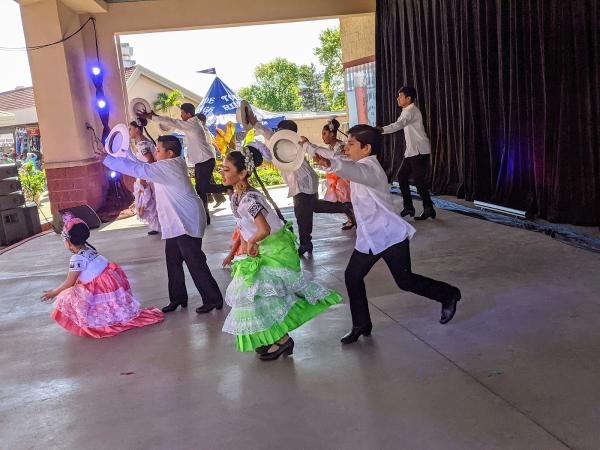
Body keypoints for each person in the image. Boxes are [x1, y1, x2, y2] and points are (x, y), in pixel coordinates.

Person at [313, 125, 461, 344]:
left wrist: (332, 164)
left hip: (389, 236)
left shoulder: (370, 169)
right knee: (352, 277)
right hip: (370, 238)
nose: (347, 147)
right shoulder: (360, 163)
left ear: (366, 148)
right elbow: (341, 161)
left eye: (352, 144)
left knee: (405, 281)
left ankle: (449, 294)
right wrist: (312, 149)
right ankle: (361, 324)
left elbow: (350, 170)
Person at [220, 145, 342, 360]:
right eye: (222, 168)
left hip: (275, 249)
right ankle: (275, 338)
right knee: (256, 295)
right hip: (262, 248)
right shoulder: (236, 197)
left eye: (226, 169)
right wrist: (234, 251)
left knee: (264, 295)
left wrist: (252, 243)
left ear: (243, 173)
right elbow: (244, 228)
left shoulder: (249, 200)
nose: (222, 173)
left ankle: (283, 341)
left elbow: (263, 229)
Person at [100, 134, 224, 314]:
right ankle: (178, 298)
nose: (155, 153)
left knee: (195, 261)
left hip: (186, 222)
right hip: (176, 222)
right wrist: (124, 152)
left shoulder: (169, 167)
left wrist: (107, 159)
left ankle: (213, 299)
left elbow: (139, 170)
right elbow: (140, 166)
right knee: (172, 261)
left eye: (158, 150)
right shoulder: (168, 164)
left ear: (170, 153)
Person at [41, 214, 164, 338]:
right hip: (109, 284)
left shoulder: (76, 259)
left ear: (67, 241)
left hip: (101, 287)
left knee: (67, 296)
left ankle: (93, 321)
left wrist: (53, 293)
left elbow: (69, 282)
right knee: (78, 290)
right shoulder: (90, 250)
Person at [251, 118, 353, 256]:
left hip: (303, 182)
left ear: (287, 132)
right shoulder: (280, 141)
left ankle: (306, 244)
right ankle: (344, 206)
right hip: (303, 181)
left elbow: (321, 152)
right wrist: (254, 122)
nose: (277, 133)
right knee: (313, 206)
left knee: (302, 215)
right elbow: (269, 134)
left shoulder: (296, 141)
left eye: (280, 131)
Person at [142, 103, 229, 225]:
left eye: (182, 113)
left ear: (188, 114)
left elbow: (173, 122)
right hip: (202, 160)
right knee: (200, 189)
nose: (181, 115)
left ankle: (228, 187)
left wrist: (153, 117)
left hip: (205, 159)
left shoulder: (191, 124)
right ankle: (205, 216)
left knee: (203, 187)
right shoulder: (192, 124)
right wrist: (154, 116)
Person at [378, 86, 436, 221]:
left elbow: (399, 124)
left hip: (419, 150)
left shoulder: (411, 112)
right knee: (402, 176)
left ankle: (428, 209)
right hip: (412, 151)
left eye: (400, 96)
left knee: (418, 181)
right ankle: (410, 206)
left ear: (408, 98)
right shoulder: (407, 110)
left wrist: (381, 130)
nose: (398, 98)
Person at [301, 117, 355, 230]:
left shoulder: (340, 147)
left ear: (332, 134)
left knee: (346, 199)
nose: (323, 136)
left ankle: (354, 219)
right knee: (341, 200)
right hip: (335, 177)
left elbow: (335, 159)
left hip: (342, 179)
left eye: (325, 133)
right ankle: (351, 219)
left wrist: (310, 147)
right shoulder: (331, 147)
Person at [128, 118, 160, 235]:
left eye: (130, 129)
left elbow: (150, 160)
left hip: (147, 176)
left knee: (148, 201)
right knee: (152, 201)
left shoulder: (142, 144)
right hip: (147, 174)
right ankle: (157, 225)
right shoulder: (144, 141)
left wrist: (143, 177)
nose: (129, 132)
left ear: (137, 129)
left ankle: (157, 226)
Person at [197, 112, 227, 208]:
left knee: (205, 183)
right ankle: (216, 198)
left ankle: (223, 191)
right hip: (206, 159)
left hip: (206, 159)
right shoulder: (204, 131)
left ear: (200, 121)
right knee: (207, 181)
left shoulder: (203, 132)